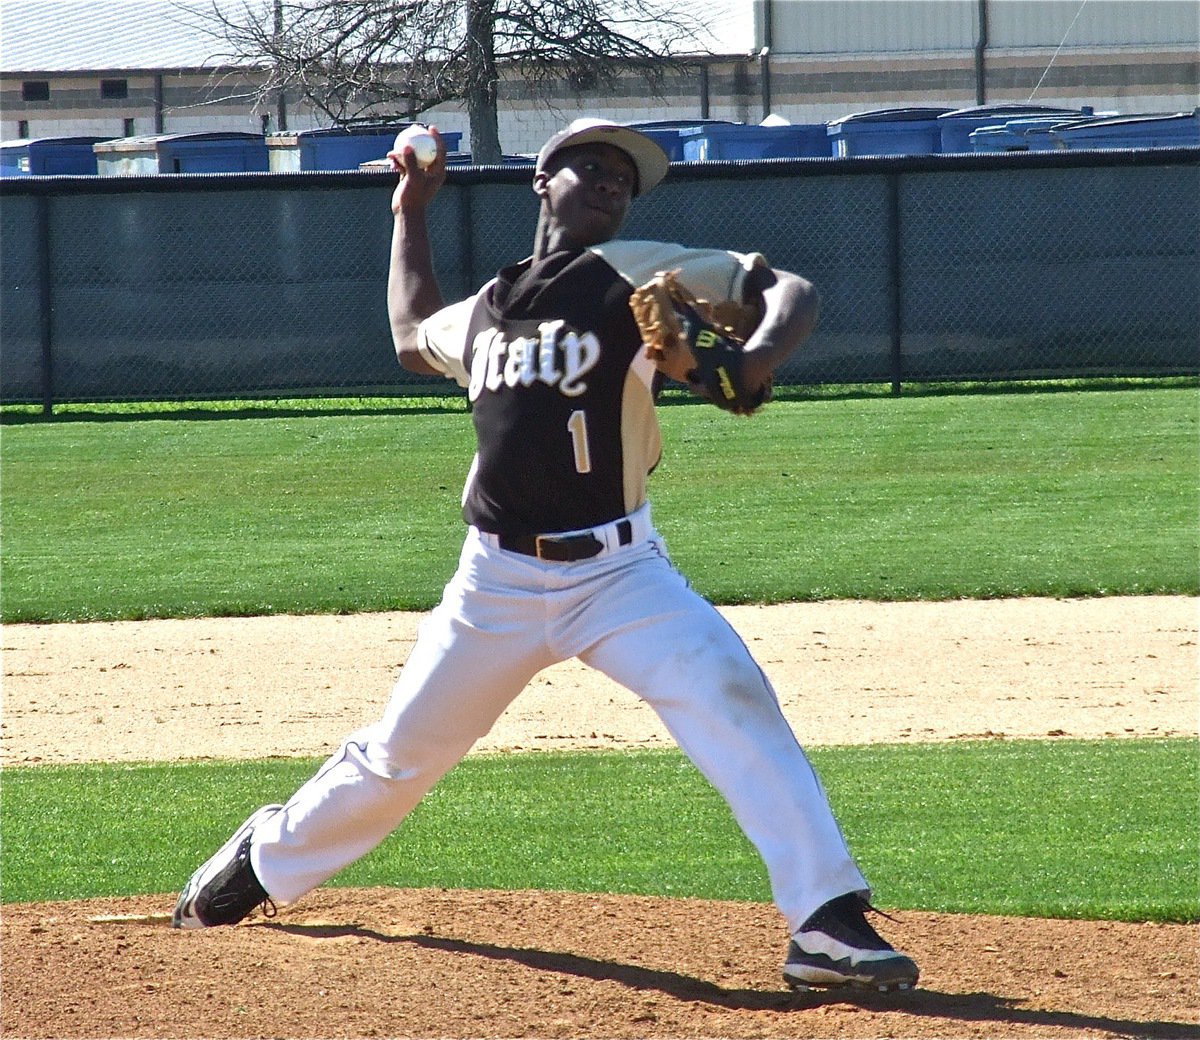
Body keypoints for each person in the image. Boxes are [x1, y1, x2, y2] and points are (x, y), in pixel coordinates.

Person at [172, 118, 919, 993]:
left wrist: (755, 355)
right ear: (543, 179)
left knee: (730, 695)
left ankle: (826, 923)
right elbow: (413, 335)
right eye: (592, 168)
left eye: (624, 181)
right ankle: (266, 858)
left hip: (621, 574)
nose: (611, 185)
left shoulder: (640, 269)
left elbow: (788, 288)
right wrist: (410, 209)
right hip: (496, 581)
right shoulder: (487, 307)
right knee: (401, 758)